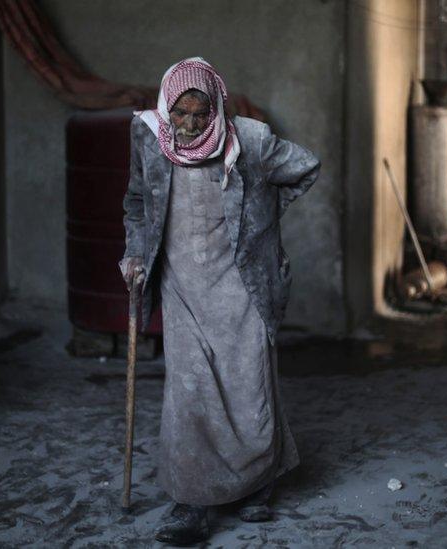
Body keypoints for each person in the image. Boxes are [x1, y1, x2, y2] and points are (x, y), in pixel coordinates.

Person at [118, 57, 320, 545]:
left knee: (250, 391)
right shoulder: (148, 135)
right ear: (167, 106)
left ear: (217, 109)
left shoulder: (249, 140)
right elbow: (138, 203)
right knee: (188, 396)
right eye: (180, 113)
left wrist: (260, 222)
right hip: (182, 286)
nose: (188, 126)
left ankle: (256, 487)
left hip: (242, 286)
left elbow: (304, 168)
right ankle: (190, 504)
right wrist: (135, 253)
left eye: (200, 115)